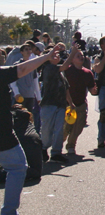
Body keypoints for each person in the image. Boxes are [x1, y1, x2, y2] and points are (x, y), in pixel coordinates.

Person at [0, 42, 65, 215]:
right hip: (3, 135)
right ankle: (8, 212)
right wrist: (46, 57)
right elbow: (22, 69)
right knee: (17, 167)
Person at [39, 46, 75, 164]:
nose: (57, 56)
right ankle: (43, 148)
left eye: (58, 55)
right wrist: (73, 53)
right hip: (49, 104)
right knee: (47, 129)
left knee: (59, 130)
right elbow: (65, 66)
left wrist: (70, 102)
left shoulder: (60, 71)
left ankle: (56, 153)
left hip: (60, 104)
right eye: (54, 55)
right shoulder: (48, 68)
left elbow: (65, 88)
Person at [62, 48, 95, 156]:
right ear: (72, 59)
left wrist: (95, 90)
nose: (81, 57)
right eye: (78, 56)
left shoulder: (88, 73)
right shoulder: (67, 71)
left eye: (82, 56)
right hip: (67, 104)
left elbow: (91, 89)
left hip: (81, 104)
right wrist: (69, 102)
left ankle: (71, 146)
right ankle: (58, 143)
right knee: (66, 127)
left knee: (78, 127)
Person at [9, 42, 41, 133]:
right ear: (21, 52)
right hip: (20, 96)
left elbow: (35, 82)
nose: (28, 51)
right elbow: (13, 81)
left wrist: (38, 98)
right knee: (18, 118)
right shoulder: (17, 65)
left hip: (30, 96)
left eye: (29, 49)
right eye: (26, 49)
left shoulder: (32, 66)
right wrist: (16, 93)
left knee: (29, 118)